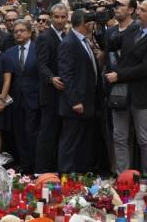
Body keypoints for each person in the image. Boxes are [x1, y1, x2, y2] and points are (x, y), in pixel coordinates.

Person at [106, 0, 147, 174]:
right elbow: (110, 46)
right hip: (121, 93)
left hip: (142, 96)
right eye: (138, 9)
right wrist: (103, 28)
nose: (138, 13)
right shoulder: (131, 30)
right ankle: (122, 176)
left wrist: (120, 74)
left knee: (145, 140)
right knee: (119, 137)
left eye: (143, 10)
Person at [58, 9, 102, 173]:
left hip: (88, 103)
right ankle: (66, 176)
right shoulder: (69, 42)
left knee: (83, 143)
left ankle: (79, 176)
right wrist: (75, 101)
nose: (93, 24)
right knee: (70, 143)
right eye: (91, 22)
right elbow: (66, 74)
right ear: (85, 23)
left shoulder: (85, 41)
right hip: (75, 105)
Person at [35, 3, 68, 174]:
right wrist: (51, 78)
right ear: (51, 18)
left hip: (64, 94)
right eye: (57, 17)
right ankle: (41, 170)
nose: (60, 20)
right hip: (49, 92)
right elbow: (41, 64)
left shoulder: (67, 36)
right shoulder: (44, 37)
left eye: (63, 17)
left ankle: (57, 168)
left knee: (61, 133)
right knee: (47, 132)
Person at [5, 19, 39, 174]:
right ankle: (25, 166)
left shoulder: (38, 49)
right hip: (16, 100)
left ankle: (35, 165)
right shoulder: (9, 53)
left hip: (34, 99)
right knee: (19, 134)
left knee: (32, 133)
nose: (18, 33)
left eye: (22, 30)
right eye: (16, 31)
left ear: (29, 32)